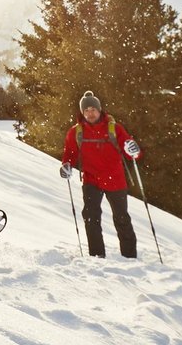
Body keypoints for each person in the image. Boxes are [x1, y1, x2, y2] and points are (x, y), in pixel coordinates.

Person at [60, 91, 142, 258]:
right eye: (86, 110)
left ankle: (130, 257)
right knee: (91, 217)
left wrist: (133, 150)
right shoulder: (76, 132)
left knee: (121, 218)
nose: (90, 113)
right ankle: (97, 257)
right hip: (91, 180)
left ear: (99, 110)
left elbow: (131, 150)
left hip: (115, 180)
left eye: (93, 109)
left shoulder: (114, 129)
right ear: (82, 113)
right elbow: (70, 154)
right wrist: (66, 166)